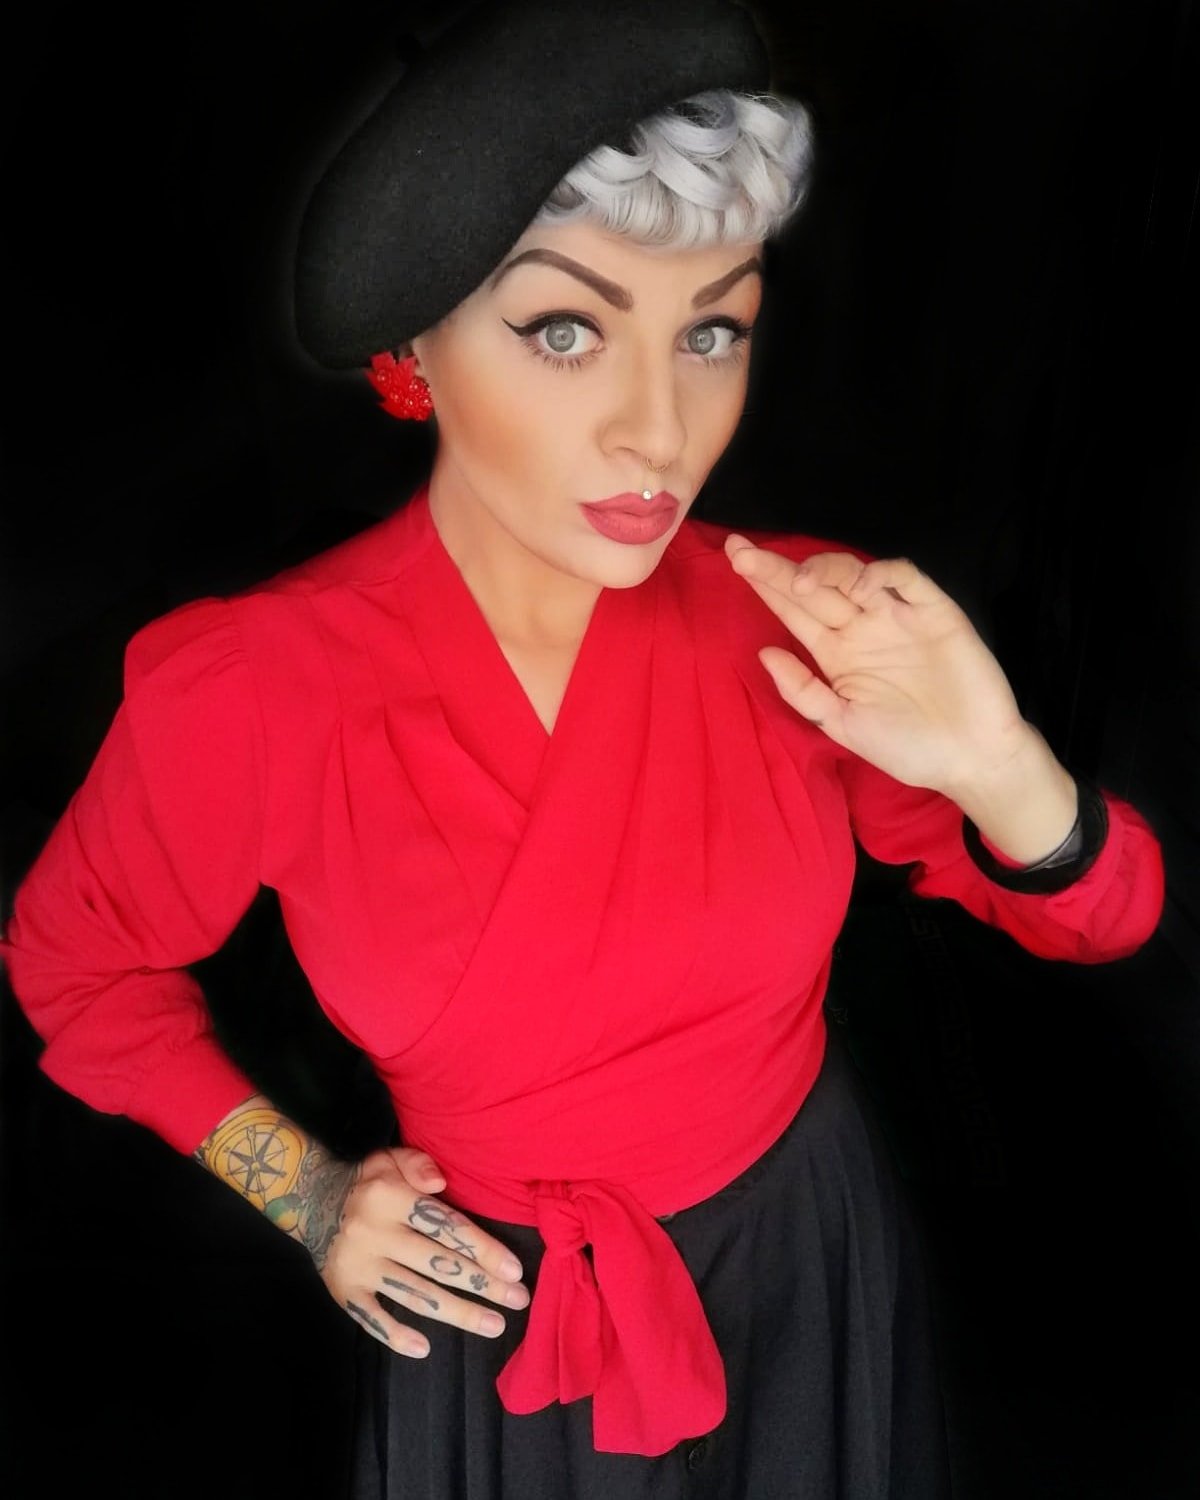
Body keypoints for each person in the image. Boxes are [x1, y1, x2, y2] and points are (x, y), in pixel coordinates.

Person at [0, 2, 1166, 1497]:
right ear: (413, 349)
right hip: (498, 1325)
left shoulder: (806, 623)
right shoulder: (254, 689)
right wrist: (307, 1196)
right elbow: (77, 967)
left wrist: (1001, 764)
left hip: (808, 1272)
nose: (658, 432)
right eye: (566, 330)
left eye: (712, 332)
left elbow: (1106, 916)